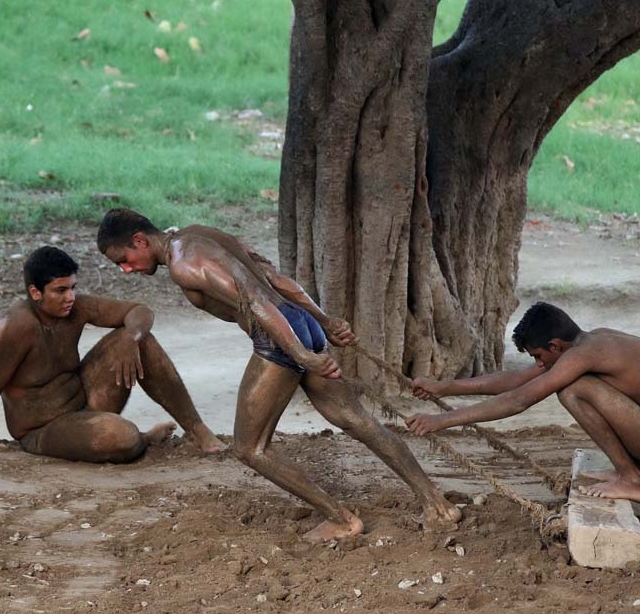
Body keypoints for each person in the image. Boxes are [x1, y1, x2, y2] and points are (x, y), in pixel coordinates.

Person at [96, 208, 461, 543]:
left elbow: (256, 300)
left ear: (140, 240)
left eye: (123, 260)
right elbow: (276, 278)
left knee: (250, 449)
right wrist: (322, 322)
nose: (126, 270)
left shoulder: (183, 265)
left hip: (279, 338)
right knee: (357, 419)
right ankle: (437, 504)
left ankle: (341, 519)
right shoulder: (199, 233)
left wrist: (300, 355)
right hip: (300, 323)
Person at [0, 246, 225, 460]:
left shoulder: (76, 308)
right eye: (60, 291)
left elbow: (139, 311)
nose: (70, 297)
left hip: (87, 402)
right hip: (43, 430)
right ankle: (143, 438)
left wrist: (131, 337)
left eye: (72, 288)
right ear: (35, 292)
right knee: (123, 437)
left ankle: (198, 430)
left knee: (140, 339)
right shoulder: (13, 328)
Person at [408, 302, 640, 503]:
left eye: (538, 356)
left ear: (555, 345)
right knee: (573, 385)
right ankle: (629, 471)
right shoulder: (589, 342)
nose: (538, 363)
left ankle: (633, 480)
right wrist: (444, 388)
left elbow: (519, 400)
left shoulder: (583, 354)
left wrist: (442, 420)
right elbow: (516, 380)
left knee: (572, 390)